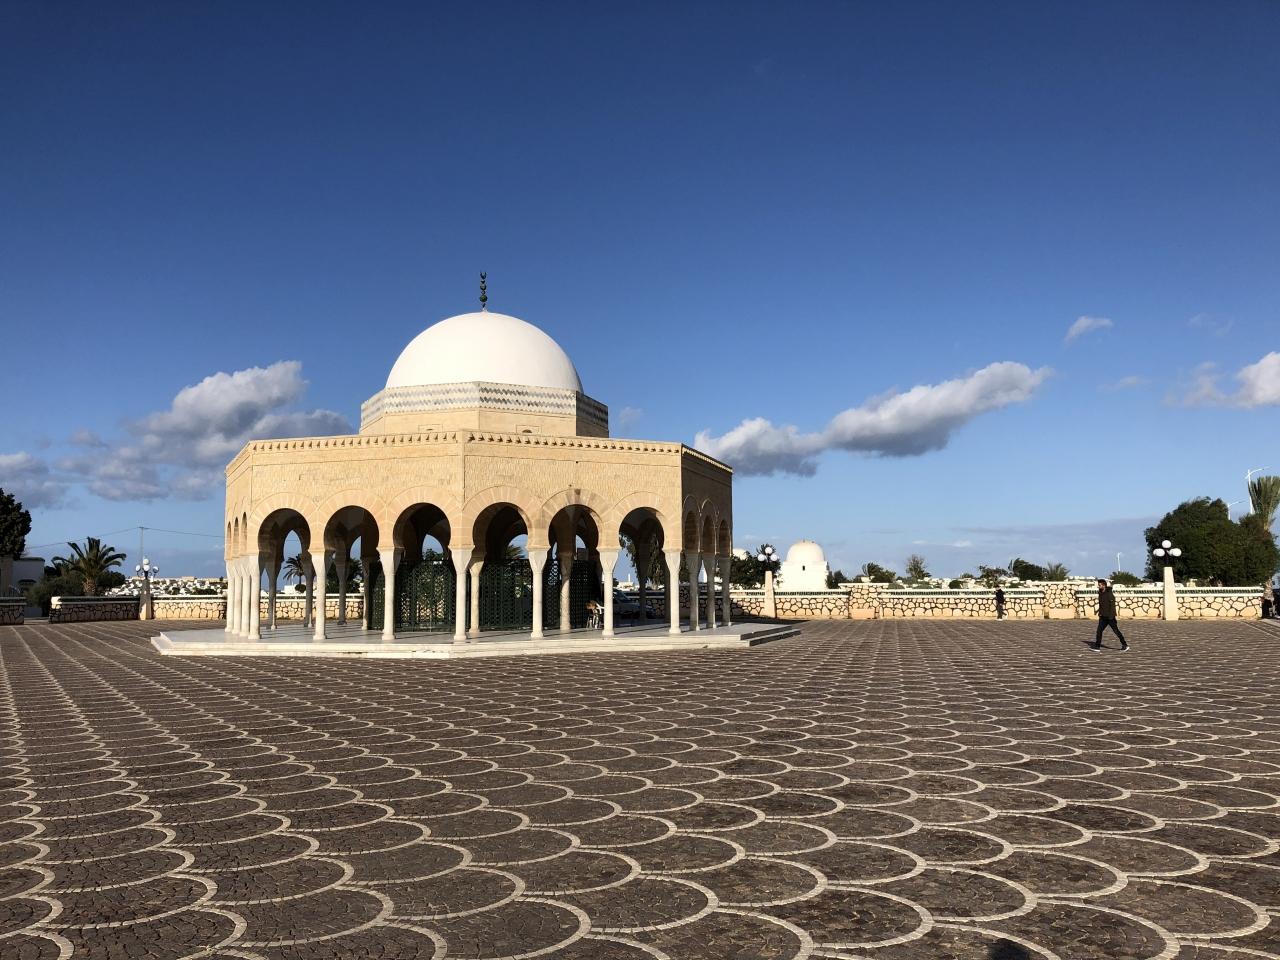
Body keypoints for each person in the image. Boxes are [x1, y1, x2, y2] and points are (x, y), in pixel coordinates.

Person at [1091, 578, 1128, 652]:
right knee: (1099, 631)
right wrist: (1099, 612)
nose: (1098, 586)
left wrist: (1111, 616)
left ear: (1104, 585)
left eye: (1100, 585)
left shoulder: (1109, 593)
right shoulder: (1100, 593)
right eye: (1098, 585)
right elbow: (1102, 604)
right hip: (1102, 616)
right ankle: (1097, 647)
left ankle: (1125, 645)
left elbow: (1112, 605)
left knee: (1116, 631)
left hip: (1110, 617)